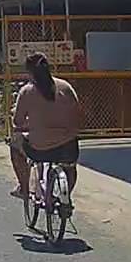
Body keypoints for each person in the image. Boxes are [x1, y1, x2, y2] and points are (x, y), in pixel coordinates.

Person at [9, 52, 82, 201]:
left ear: (29, 72)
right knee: (70, 167)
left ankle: (24, 188)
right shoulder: (65, 87)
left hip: (39, 148)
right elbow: (77, 114)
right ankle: (65, 199)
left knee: (15, 145)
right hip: (68, 147)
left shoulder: (27, 92)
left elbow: (17, 122)